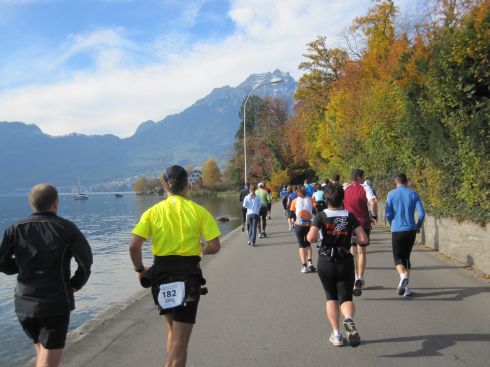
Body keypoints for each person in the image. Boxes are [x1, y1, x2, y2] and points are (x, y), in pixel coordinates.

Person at [130, 165, 221, 367]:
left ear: (164, 185)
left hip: (161, 276)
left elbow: (134, 245)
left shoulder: (152, 212)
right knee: (180, 343)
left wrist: (139, 270)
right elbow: (215, 246)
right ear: (187, 185)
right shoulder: (199, 211)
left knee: (172, 332)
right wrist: (201, 249)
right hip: (188, 276)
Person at [0, 184, 93, 367]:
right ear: (56, 203)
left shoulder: (14, 229)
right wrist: (76, 283)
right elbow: (85, 261)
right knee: (49, 362)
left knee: (41, 351)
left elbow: (1, 262)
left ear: (31, 203)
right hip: (55, 304)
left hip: (24, 305)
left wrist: (19, 267)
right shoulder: (66, 229)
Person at [307, 183, 368, 347]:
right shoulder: (350, 216)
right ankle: (348, 319)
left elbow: (311, 238)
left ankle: (337, 335)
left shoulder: (320, 216)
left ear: (326, 199)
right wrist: (349, 238)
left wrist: (321, 236)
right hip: (345, 261)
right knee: (346, 297)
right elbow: (363, 239)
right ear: (343, 198)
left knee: (331, 297)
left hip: (326, 261)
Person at [385, 173, 425, 296]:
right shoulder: (413, 193)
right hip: (411, 230)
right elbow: (422, 214)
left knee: (397, 257)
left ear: (396, 183)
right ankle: (406, 289)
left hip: (397, 230)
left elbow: (387, 213)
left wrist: (393, 223)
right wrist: (417, 226)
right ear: (406, 181)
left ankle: (402, 277)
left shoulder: (391, 194)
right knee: (406, 258)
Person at [343, 168, 377, 296]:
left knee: (352, 253)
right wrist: (374, 216)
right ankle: (360, 277)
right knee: (361, 252)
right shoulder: (365, 187)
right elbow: (373, 202)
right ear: (358, 178)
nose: (363, 179)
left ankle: (353, 279)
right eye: (362, 177)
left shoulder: (345, 189)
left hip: (348, 224)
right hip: (363, 224)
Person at [290, 185, 316, 273]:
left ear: (298, 192)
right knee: (308, 244)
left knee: (301, 245)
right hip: (308, 224)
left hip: (299, 225)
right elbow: (315, 209)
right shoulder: (310, 199)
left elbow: (291, 213)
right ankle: (310, 263)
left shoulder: (295, 201)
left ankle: (304, 266)